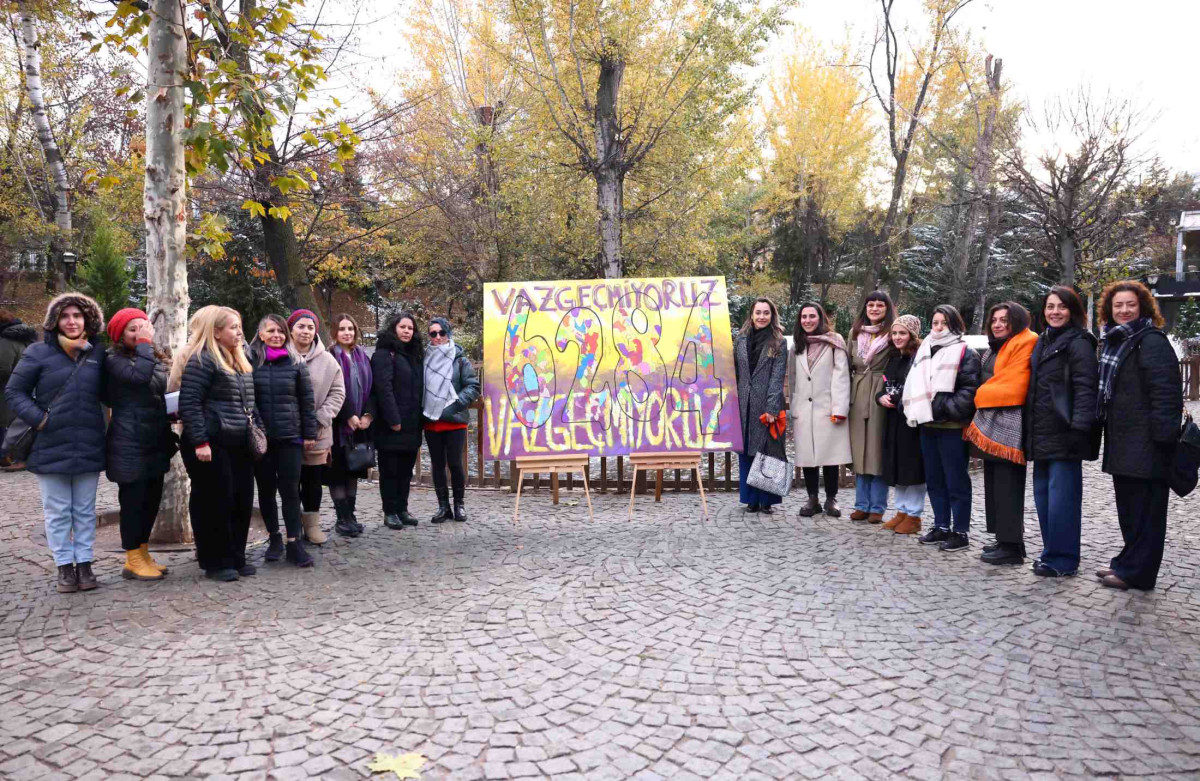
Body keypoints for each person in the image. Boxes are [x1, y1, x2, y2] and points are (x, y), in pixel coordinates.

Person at [4, 294, 107, 593]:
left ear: (87, 319)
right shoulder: (38, 352)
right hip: (50, 442)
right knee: (59, 510)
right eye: (65, 316)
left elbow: (114, 392)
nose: (72, 321)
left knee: (85, 510)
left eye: (77, 315)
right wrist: (39, 419)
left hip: (88, 440)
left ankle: (85, 564)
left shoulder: (97, 353)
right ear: (55, 322)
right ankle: (65, 567)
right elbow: (14, 391)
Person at [1096, 280, 1181, 590]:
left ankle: (1139, 574)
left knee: (1147, 515)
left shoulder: (1151, 341)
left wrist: (1162, 442)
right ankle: (1126, 562)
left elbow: (1166, 394)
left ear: (1143, 307)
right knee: (1130, 511)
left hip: (1148, 445)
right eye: (1118, 305)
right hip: (1125, 443)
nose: (1124, 310)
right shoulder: (1118, 342)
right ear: (1109, 309)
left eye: (1130, 304)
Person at [172, 305, 257, 582]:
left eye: (239, 326)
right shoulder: (202, 359)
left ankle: (236, 556)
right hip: (211, 443)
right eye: (233, 327)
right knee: (215, 502)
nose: (239, 332)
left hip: (238, 442)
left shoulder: (240, 360)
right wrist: (200, 441)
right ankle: (216, 561)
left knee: (241, 500)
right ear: (216, 332)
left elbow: (250, 405)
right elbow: (190, 403)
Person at [1024, 286, 1099, 578]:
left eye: (1062, 307)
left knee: (1062, 502)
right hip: (1041, 432)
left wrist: (1079, 429)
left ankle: (1064, 559)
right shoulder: (1043, 341)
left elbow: (1085, 388)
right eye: (1050, 306)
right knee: (1044, 499)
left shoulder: (1079, 342)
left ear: (1073, 311)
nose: (1055, 312)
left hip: (1066, 432)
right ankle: (1050, 552)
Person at [104, 308, 177, 581]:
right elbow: (139, 379)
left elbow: (157, 386)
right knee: (133, 502)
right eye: (132, 330)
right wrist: (146, 346)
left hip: (154, 439)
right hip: (128, 441)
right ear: (119, 335)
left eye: (142, 328)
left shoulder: (153, 358)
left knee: (151, 500)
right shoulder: (112, 359)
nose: (139, 334)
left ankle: (144, 552)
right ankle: (132, 557)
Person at [964, 303, 1038, 566]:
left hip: (1009, 421)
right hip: (991, 417)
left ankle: (1012, 547)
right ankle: (1003, 538)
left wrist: (977, 396)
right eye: (994, 319)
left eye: (1004, 320)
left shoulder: (1026, 341)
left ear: (1016, 321)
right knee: (994, 481)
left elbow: (1013, 383)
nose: (997, 324)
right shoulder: (998, 347)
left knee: (1008, 483)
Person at [903, 304, 980, 552]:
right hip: (927, 424)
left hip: (951, 426)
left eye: (944, 323)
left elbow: (969, 391)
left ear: (955, 325)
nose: (938, 327)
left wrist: (944, 408)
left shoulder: (965, 352)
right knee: (935, 479)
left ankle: (960, 531)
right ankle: (941, 526)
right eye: (935, 322)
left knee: (956, 480)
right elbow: (913, 383)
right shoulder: (924, 349)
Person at [249, 314, 319, 567]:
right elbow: (247, 399)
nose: (277, 336)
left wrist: (309, 434)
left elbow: (306, 401)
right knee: (266, 491)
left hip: (290, 437)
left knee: (290, 491)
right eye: (271, 331)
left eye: (280, 331)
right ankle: (274, 537)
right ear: (261, 334)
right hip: (261, 440)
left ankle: (294, 542)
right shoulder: (249, 361)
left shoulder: (295, 362)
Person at [789, 302, 850, 518]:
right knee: (808, 456)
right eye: (803, 317)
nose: (807, 320)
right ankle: (812, 498)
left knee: (830, 456)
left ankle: (831, 498)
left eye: (812, 316)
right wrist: (793, 405)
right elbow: (794, 377)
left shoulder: (835, 342)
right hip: (804, 409)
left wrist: (839, 407)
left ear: (820, 317)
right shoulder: (798, 344)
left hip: (828, 406)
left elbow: (841, 376)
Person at [288, 309, 345, 542]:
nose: (306, 331)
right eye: (301, 326)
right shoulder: (280, 355)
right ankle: (292, 527)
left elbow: (338, 392)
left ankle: (312, 526)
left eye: (310, 327)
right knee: (290, 482)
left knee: (312, 481)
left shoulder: (327, 360)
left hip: (318, 431)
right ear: (291, 329)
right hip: (287, 431)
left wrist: (321, 417)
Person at [423, 317, 480, 523]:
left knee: (455, 463)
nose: (437, 337)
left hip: (454, 419)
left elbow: (473, 386)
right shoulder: (425, 359)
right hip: (432, 419)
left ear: (448, 334)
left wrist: (455, 404)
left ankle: (459, 505)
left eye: (441, 333)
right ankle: (443, 506)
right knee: (437, 464)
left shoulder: (460, 360)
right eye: (433, 333)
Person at [734, 297, 788, 514]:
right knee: (747, 451)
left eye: (766, 313)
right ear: (752, 314)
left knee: (767, 451)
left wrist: (772, 407)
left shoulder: (778, 342)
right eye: (758, 312)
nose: (762, 316)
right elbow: (736, 371)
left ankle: (767, 499)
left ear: (772, 315)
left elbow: (777, 375)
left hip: (767, 404)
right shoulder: (740, 340)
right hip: (743, 403)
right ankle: (751, 498)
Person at [373, 312, 424, 529]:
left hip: (412, 422)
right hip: (391, 424)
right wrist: (393, 419)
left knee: (406, 470)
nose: (406, 331)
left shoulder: (414, 355)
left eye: (410, 328)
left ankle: (402, 508)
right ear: (394, 328)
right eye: (403, 327)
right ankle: (390, 511)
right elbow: (383, 389)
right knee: (390, 470)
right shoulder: (385, 353)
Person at [848, 291, 896, 523]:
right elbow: (847, 364)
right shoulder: (855, 333)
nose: (875, 309)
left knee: (876, 449)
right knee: (860, 450)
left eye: (880, 305)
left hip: (879, 392)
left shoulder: (892, 334)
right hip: (857, 392)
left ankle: (877, 506)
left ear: (887, 309)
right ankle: (861, 504)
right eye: (871, 305)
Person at [875, 314, 925, 535]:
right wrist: (880, 397)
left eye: (902, 333)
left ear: (912, 335)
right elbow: (886, 385)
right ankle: (902, 511)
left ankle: (914, 515)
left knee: (912, 468)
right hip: (893, 418)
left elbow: (918, 387)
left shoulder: (919, 357)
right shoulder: (894, 357)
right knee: (897, 466)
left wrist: (895, 399)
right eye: (894, 333)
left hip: (911, 420)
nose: (897, 337)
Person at [328, 313, 375, 536]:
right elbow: (330, 390)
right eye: (342, 329)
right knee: (338, 471)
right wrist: (347, 415)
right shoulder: (330, 357)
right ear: (335, 333)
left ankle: (351, 515)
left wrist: (368, 415)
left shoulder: (362, 356)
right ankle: (341, 517)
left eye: (350, 328)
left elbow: (373, 389)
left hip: (360, 425)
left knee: (354, 470)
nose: (347, 333)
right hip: (338, 425)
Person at [0, 309, 37, 469]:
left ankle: (6, 455)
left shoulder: (6, 340)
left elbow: (3, 368)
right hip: (30, 386)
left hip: (9, 388)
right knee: (25, 422)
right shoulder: (27, 337)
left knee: (6, 422)